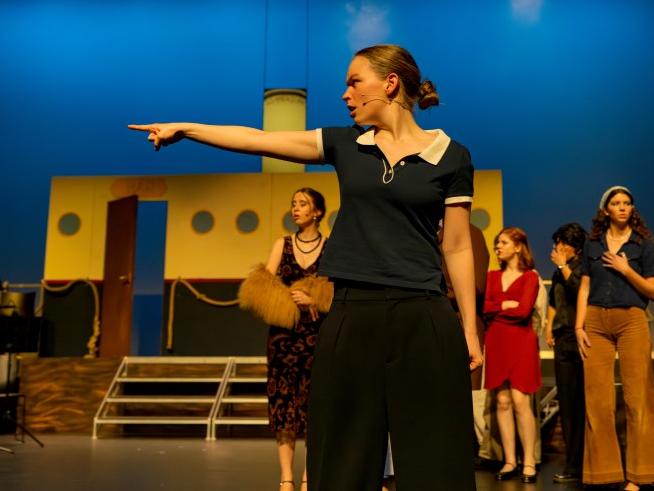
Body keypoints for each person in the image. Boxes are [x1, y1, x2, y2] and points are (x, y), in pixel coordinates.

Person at [130, 43, 481, 491]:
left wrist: (469, 327)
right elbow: (257, 139)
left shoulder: (452, 156)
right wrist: (187, 128)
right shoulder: (345, 144)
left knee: (437, 456)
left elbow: (457, 247)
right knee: (342, 455)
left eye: (354, 82)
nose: (345, 94)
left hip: (423, 314)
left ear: (390, 83)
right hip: (351, 312)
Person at [575, 186, 654, 491]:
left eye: (627, 203)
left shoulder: (643, 244)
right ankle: (604, 474)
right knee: (597, 399)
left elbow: (653, 290)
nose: (622, 207)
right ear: (606, 210)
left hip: (631, 319)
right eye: (616, 203)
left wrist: (626, 269)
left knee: (637, 397)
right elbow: (585, 287)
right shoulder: (593, 244)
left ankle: (640, 475)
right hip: (595, 320)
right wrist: (578, 327)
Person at [237, 187, 331, 491]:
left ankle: (308, 477)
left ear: (317, 211)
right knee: (283, 404)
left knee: (314, 406)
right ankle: (287, 478)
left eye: (303, 204)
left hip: (316, 335)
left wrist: (314, 299)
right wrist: (288, 299)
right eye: (293, 204)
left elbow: (336, 288)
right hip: (283, 338)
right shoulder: (283, 244)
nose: (296, 208)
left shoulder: (330, 247)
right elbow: (263, 285)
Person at [483, 227, 542, 484]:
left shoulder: (530, 277)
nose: (498, 247)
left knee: (520, 401)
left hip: (521, 341)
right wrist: (504, 305)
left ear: (518, 247)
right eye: (497, 243)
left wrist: (497, 310)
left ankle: (528, 460)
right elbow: (483, 307)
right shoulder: (492, 277)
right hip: (496, 340)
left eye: (503, 242)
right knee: (502, 401)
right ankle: (509, 460)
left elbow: (524, 311)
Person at [545, 222, 587, 486]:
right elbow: (554, 301)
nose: (558, 248)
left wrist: (563, 266)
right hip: (562, 339)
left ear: (576, 247)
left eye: (562, 243)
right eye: (557, 242)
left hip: (581, 338)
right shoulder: (558, 272)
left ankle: (586, 463)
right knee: (568, 404)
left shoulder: (584, 267)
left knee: (583, 403)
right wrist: (549, 328)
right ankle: (572, 464)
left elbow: (579, 291)